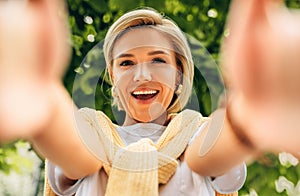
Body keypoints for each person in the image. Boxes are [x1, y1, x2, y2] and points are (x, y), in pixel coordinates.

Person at [0, 0, 299, 195]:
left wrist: (250, 116)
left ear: (179, 75)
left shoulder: (198, 132)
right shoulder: (90, 130)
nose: (141, 76)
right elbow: (78, 157)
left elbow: (207, 157)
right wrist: (40, 100)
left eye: (158, 60)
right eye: (126, 63)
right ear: (114, 78)